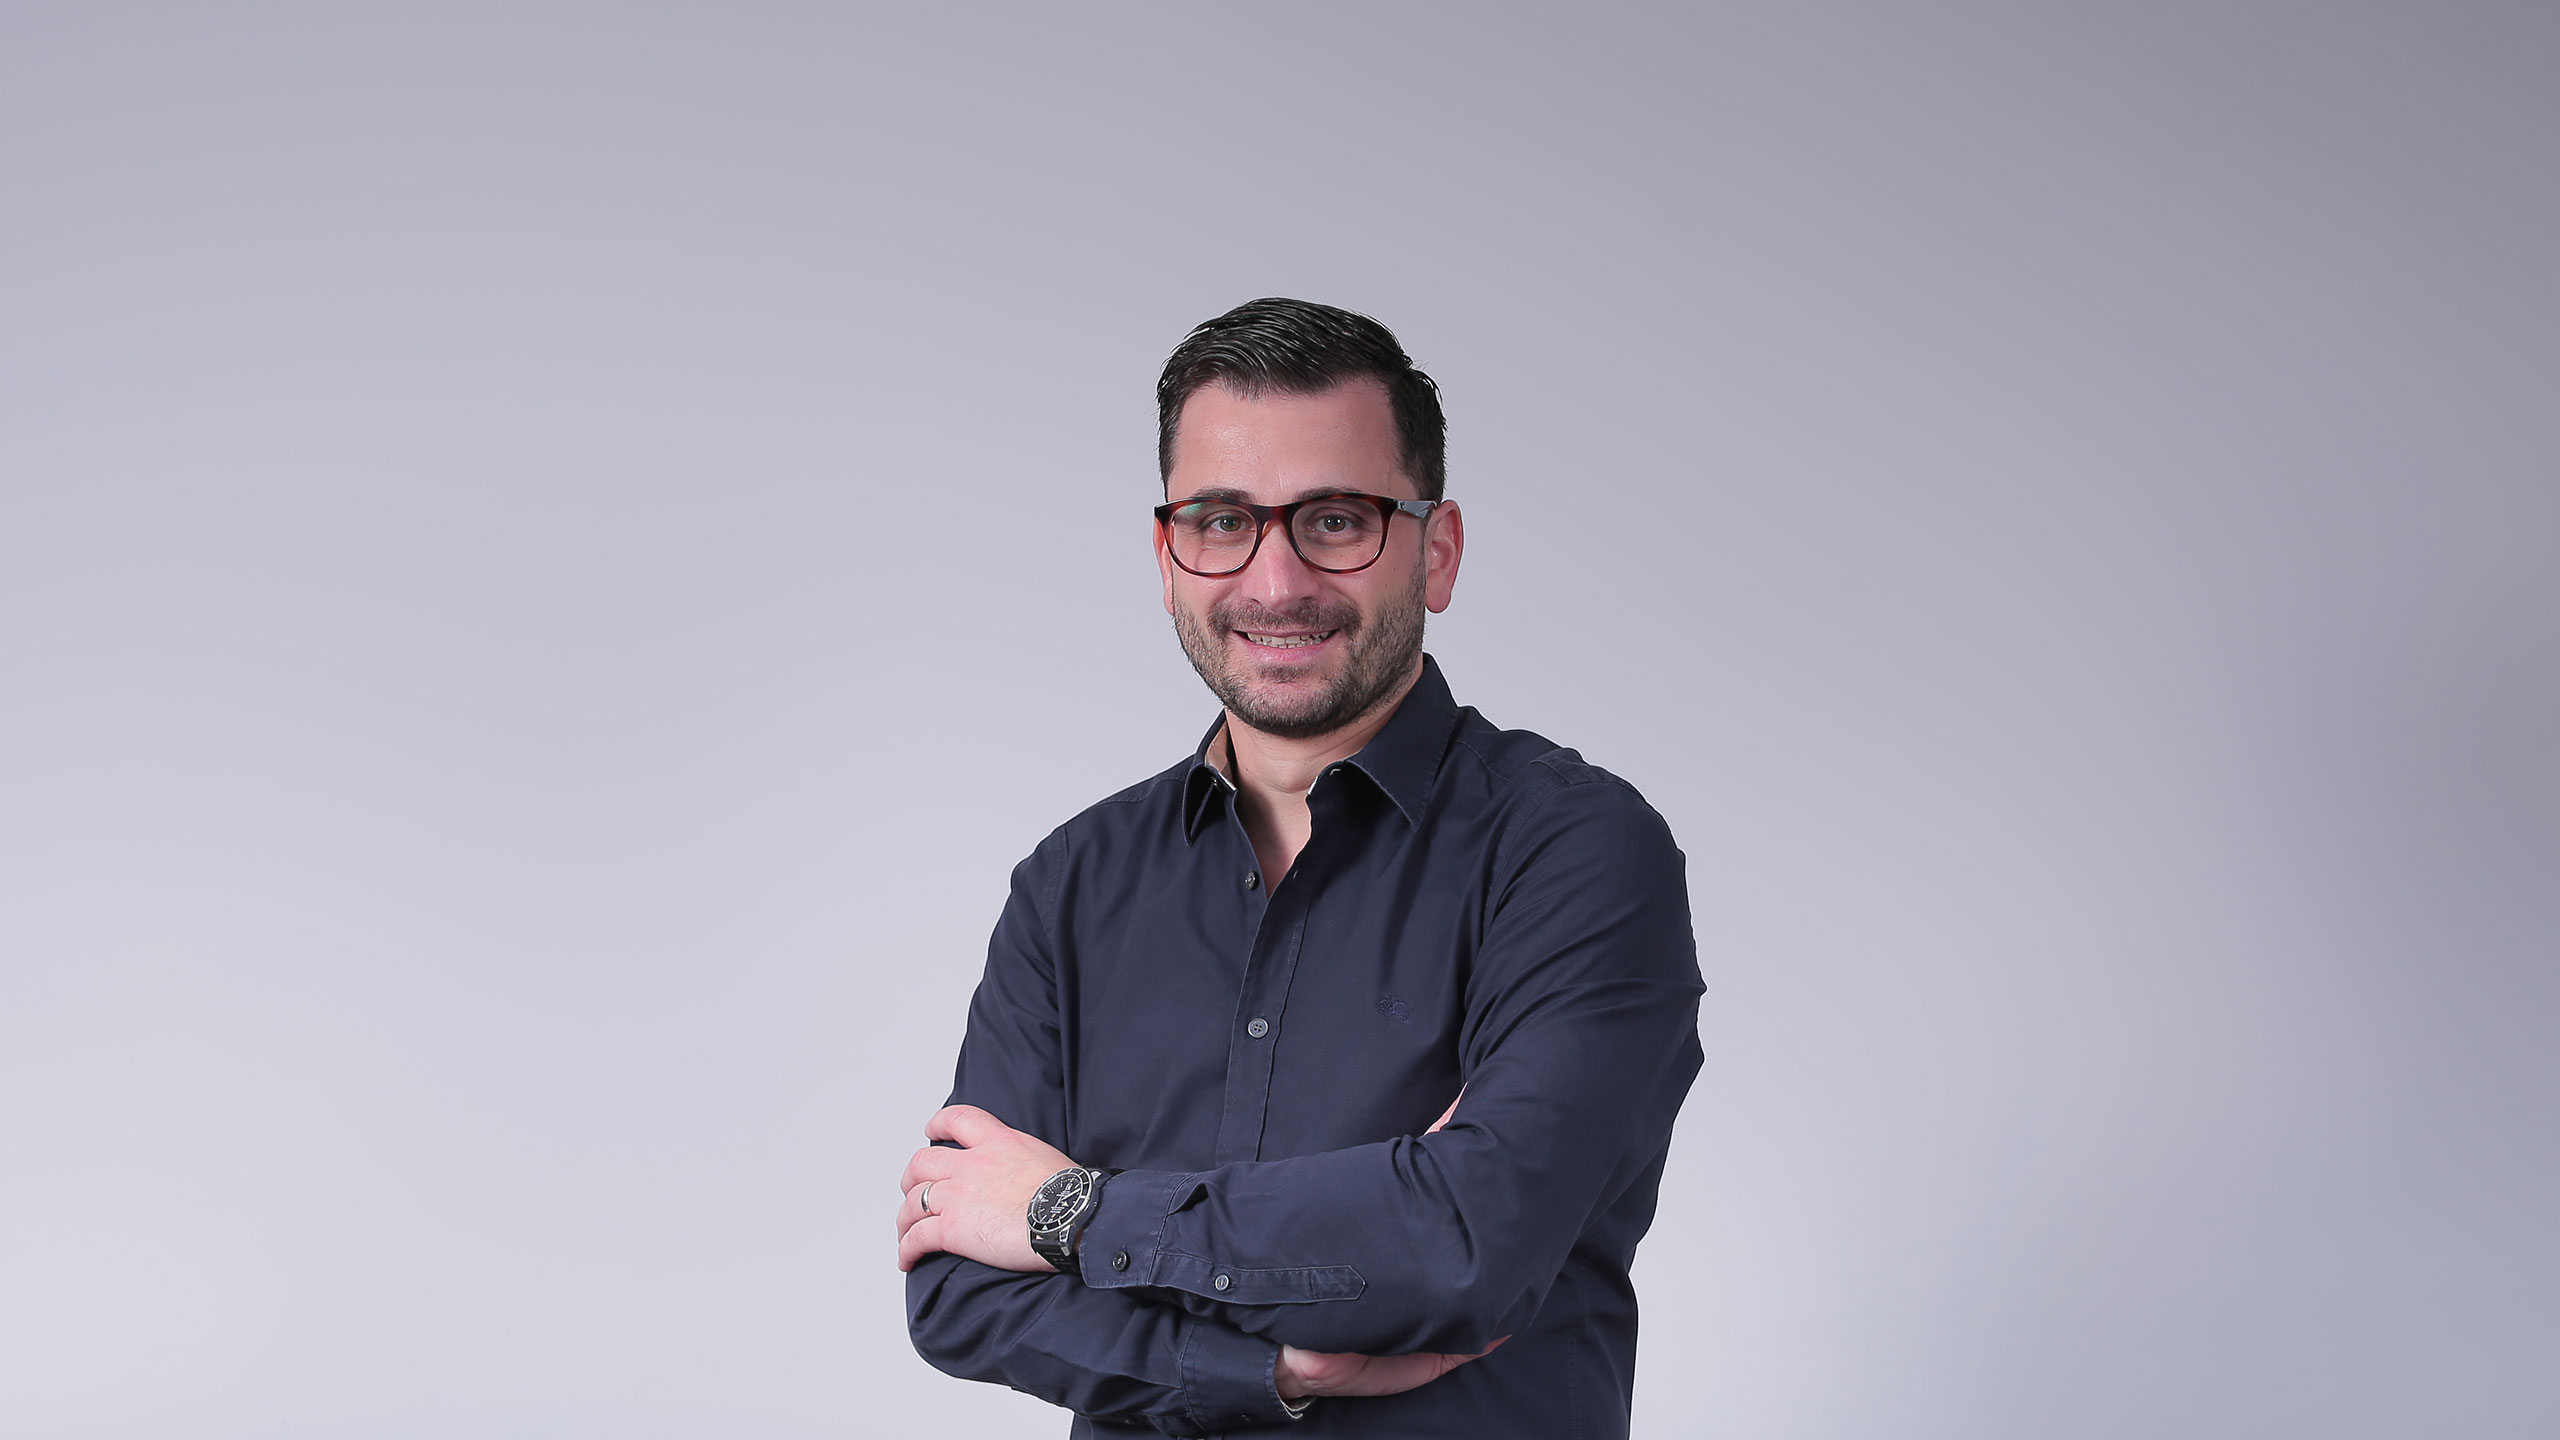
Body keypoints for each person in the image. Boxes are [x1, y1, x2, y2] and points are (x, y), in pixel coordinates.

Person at [896, 297, 1703, 1437]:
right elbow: (957, 1290)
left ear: (1438, 550)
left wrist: (1069, 1214)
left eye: (1334, 520)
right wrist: (1272, 1361)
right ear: (1168, 556)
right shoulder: (1071, 885)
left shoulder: (1575, 852)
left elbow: (1466, 1243)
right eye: (1222, 520)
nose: (1274, 585)